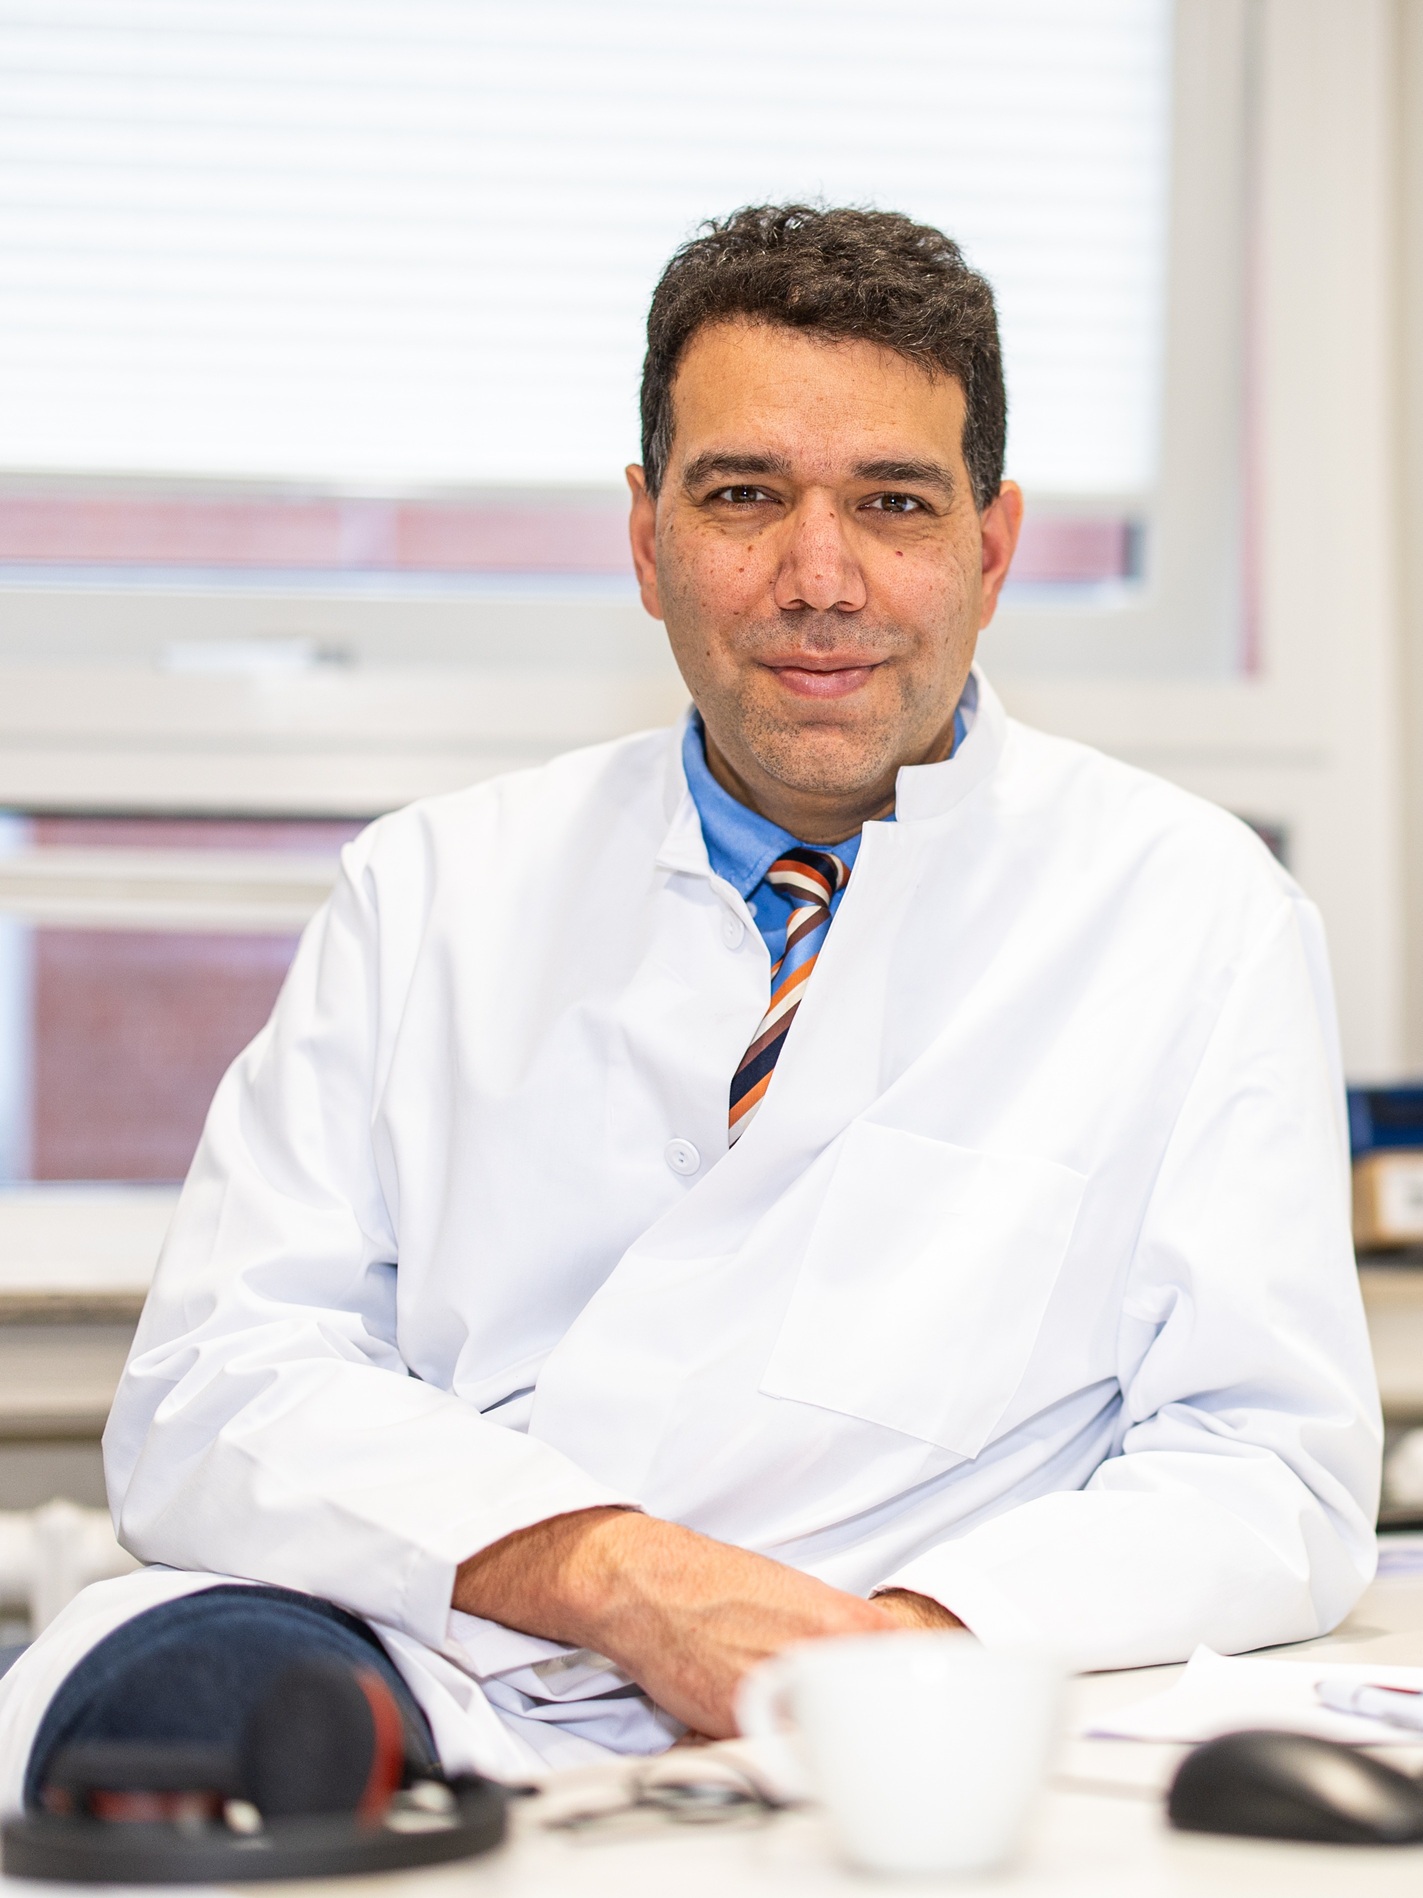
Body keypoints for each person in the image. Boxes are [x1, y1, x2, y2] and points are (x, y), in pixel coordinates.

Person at [0, 204, 1381, 1804]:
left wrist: (891, 1646)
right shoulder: (432, 889)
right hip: (450, 1662)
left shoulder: (1195, 916)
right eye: (744, 496)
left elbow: (1266, 1459)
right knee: (157, 1723)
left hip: (910, 1725)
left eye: (892, 502)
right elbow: (214, 1383)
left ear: (991, 549)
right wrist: (619, 1578)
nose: (819, 577)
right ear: (648, 541)